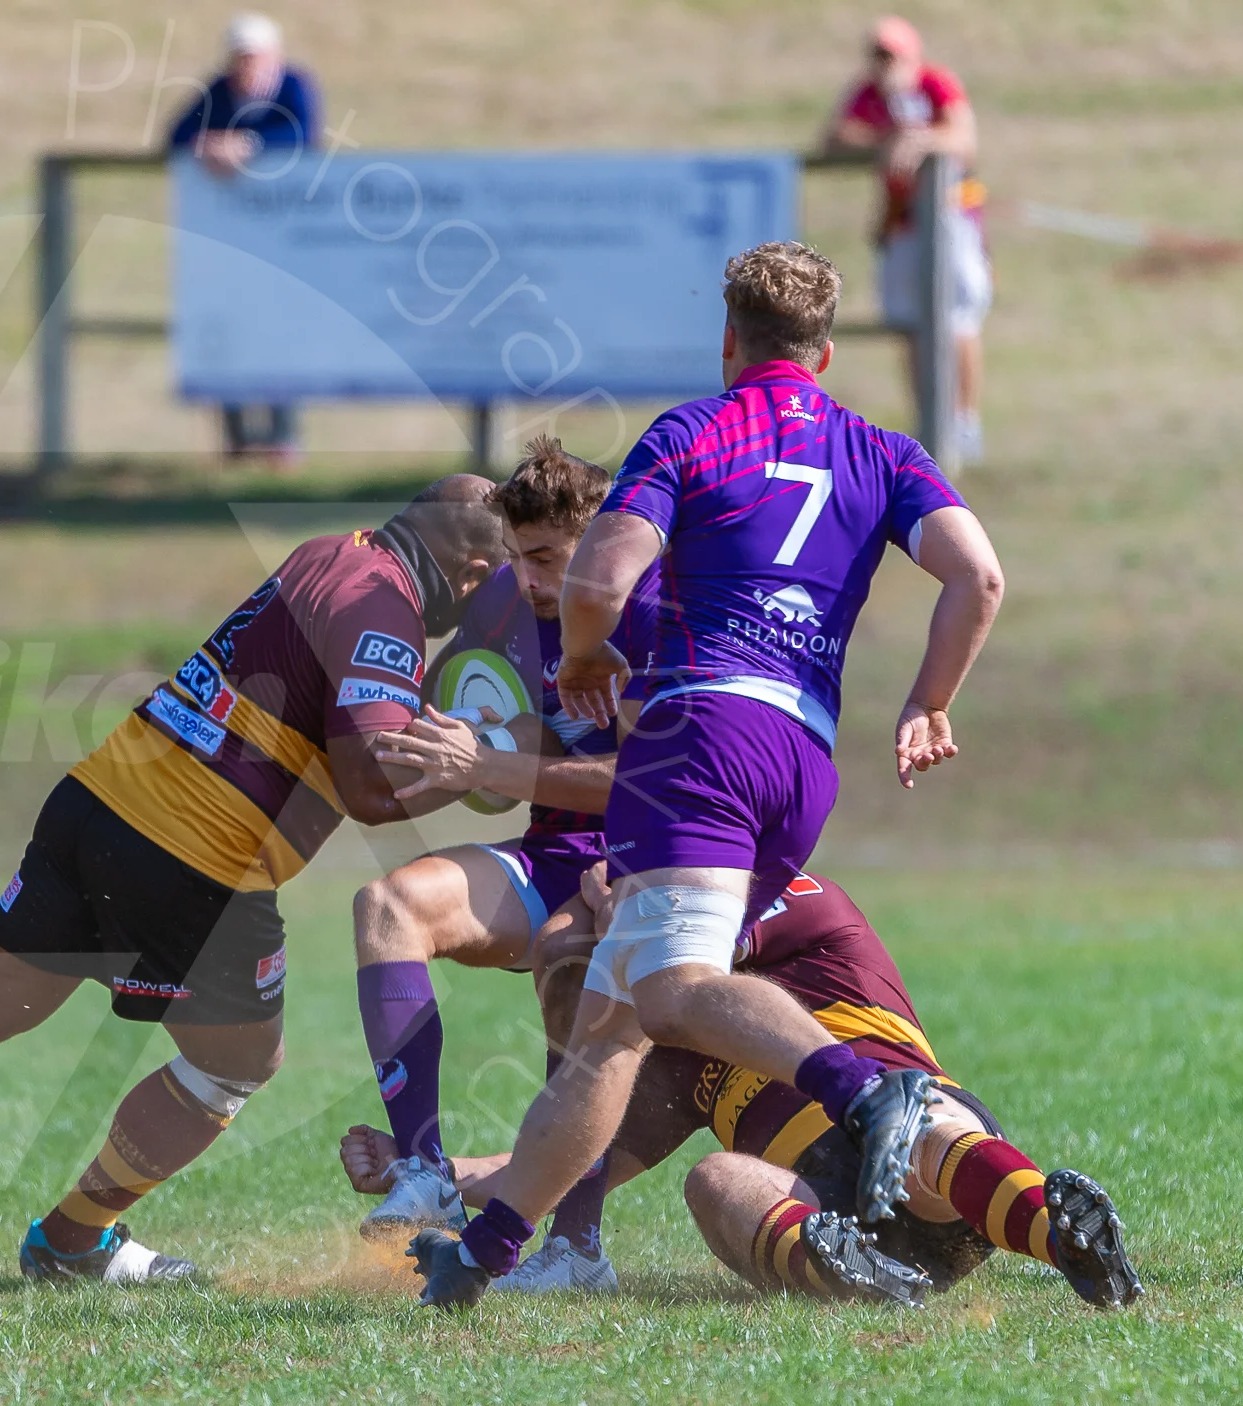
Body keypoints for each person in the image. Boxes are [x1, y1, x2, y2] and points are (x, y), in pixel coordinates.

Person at [0, 479, 508, 1283]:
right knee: (236, 1065)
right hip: (197, 856)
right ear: (469, 573)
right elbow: (372, 790)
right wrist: (482, 776)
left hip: (98, 802)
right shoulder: (386, 610)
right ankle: (74, 1238)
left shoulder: (329, 555)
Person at [413, 240, 1006, 1311]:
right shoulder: (879, 449)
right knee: (609, 1025)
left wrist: (587, 653)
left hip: (700, 737)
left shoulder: (693, 428)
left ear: (729, 340)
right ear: (821, 352)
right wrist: (928, 699)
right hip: (799, 756)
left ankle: (868, 1094)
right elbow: (978, 573)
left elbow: (599, 571)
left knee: (670, 989)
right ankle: (487, 1249)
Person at [345, 869, 1141, 1309]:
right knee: (716, 1181)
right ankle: (853, 1278)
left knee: (924, 1124)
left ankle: (1062, 1236)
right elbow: (563, 1165)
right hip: (819, 1204)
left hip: (913, 1155)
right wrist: (430, 1174)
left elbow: (690, 929)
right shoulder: (669, 1050)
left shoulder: (801, 901)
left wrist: (617, 911)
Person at [340, 436, 659, 1265]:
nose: (528, 580)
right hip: (552, 854)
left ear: (600, 544)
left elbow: (645, 779)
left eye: (547, 558)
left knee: (571, 961)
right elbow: (531, 735)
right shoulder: (524, 613)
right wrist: (440, 761)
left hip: (647, 865)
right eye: (516, 559)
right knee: (387, 906)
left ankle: (576, 1250)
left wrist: (487, 760)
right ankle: (423, 1166)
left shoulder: (657, 617)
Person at [824, 15, 991, 463]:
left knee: (959, 318)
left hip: (951, 216)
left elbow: (963, 137)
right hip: (900, 223)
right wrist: (885, 140)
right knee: (909, 321)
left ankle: (965, 418)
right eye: (878, 55)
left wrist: (921, 141)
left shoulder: (935, 84)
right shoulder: (868, 95)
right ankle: (929, 418)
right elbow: (835, 138)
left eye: (892, 55)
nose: (885, 65)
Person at [166, 13, 319, 465]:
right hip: (230, 243)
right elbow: (175, 136)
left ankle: (282, 438)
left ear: (274, 56)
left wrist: (247, 144)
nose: (245, 67)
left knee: (280, 336)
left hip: (284, 240)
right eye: (239, 58)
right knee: (227, 333)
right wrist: (207, 145)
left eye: (254, 57)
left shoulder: (293, 86)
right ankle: (236, 442)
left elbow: (303, 135)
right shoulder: (218, 91)